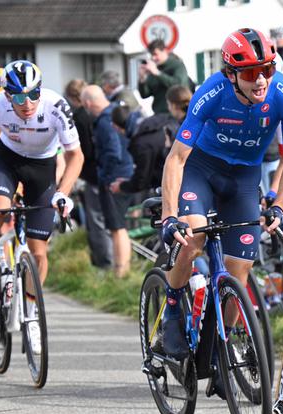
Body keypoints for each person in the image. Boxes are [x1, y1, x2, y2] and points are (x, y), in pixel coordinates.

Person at [159, 29, 283, 383]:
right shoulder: (211, 92)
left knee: (239, 270)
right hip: (202, 171)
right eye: (252, 73)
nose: (261, 80)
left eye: (267, 69)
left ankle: (222, 348)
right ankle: (173, 312)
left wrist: (279, 205)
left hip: (243, 180)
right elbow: (177, 158)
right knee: (192, 240)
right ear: (231, 74)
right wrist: (170, 216)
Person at [0, 61, 83, 334]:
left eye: (33, 94)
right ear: (8, 95)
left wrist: (63, 194)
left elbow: (75, 156)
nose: (28, 103)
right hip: (7, 162)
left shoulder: (56, 105)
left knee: (39, 251)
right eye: (19, 97)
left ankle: (31, 315)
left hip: (43, 168)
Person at [80, 85, 134, 278]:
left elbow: (113, 152)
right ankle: (122, 269)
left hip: (114, 178)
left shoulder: (105, 121)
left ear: (87, 103)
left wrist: (103, 176)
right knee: (120, 227)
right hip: (127, 172)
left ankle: (121, 272)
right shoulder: (115, 112)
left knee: (116, 227)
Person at [64, 79, 113, 270]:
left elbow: (83, 150)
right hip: (105, 172)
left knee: (96, 222)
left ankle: (104, 265)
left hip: (91, 174)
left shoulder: (78, 117)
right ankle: (114, 263)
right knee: (110, 222)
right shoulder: (100, 114)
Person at [109, 85, 191, 195]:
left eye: (168, 104)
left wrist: (123, 186)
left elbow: (142, 179)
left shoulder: (141, 142)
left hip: (178, 184)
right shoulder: (164, 120)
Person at [138, 39, 191, 114]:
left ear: (165, 51)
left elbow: (178, 84)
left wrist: (157, 73)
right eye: (151, 55)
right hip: (160, 114)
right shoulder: (154, 68)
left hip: (178, 114)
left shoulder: (177, 65)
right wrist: (142, 79)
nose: (153, 58)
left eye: (155, 54)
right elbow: (144, 95)